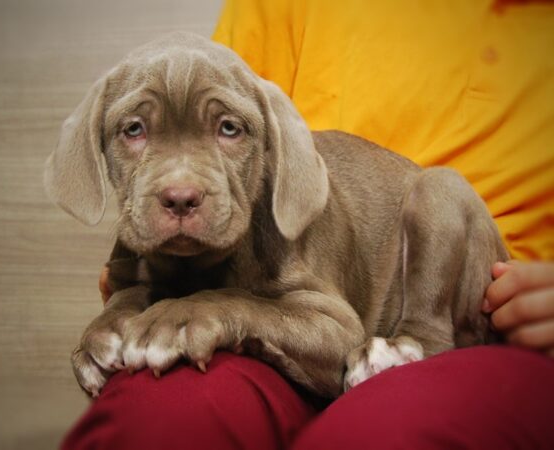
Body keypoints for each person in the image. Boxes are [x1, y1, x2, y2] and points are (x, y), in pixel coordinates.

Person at [62, 1, 554, 448]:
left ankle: (419, 338)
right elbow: (198, 116)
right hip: (278, 336)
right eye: (133, 129)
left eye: (228, 128)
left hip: (489, 323)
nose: (182, 184)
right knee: (161, 419)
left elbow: (333, 328)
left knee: (381, 434)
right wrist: (131, 302)